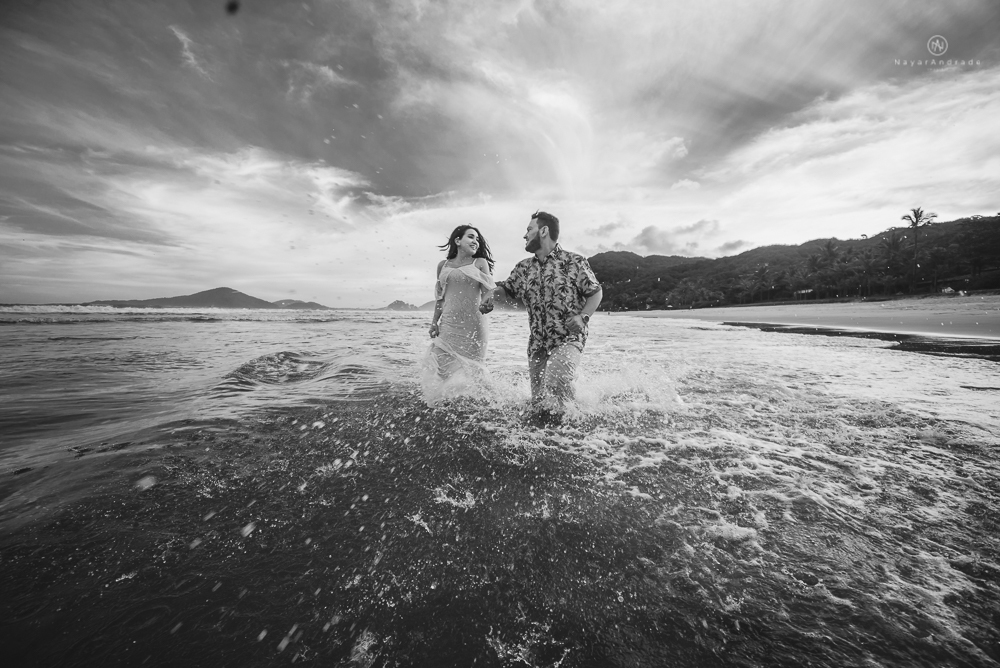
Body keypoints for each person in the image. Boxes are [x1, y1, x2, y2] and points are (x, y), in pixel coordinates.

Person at [490, 211, 602, 415]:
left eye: (529, 229)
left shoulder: (573, 261)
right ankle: (555, 435)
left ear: (543, 231)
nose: (525, 235)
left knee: (557, 381)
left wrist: (583, 316)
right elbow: (506, 290)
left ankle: (576, 430)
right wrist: (490, 296)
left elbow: (595, 292)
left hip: (568, 338)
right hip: (537, 344)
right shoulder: (523, 268)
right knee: (540, 405)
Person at [422, 225, 496, 403]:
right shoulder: (443, 265)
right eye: (471, 237)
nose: (475, 242)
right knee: (442, 368)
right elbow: (440, 298)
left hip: (473, 327)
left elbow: (488, 290)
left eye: (477, 239)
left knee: (470, 373)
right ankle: (443, 405)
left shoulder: (479, 263)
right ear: (458, 241)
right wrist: (434, 322)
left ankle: (475, 407)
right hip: (448, 326)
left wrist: (488, 302)